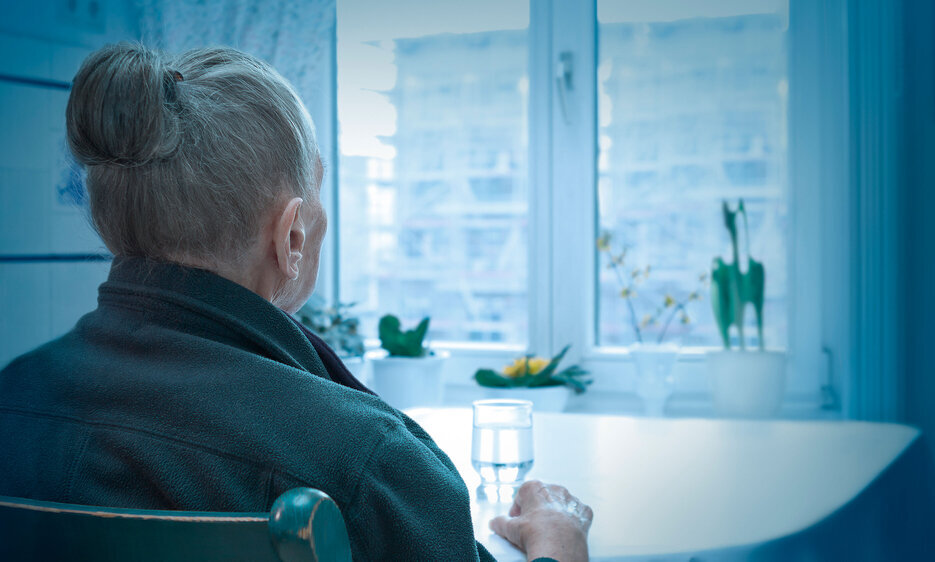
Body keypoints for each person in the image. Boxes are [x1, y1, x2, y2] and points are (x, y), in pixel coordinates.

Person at [0, 43, 592, 561]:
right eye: (318, 187)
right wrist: (558, 545)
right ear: (291, 237)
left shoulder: (12, 396)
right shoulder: (367, 465)